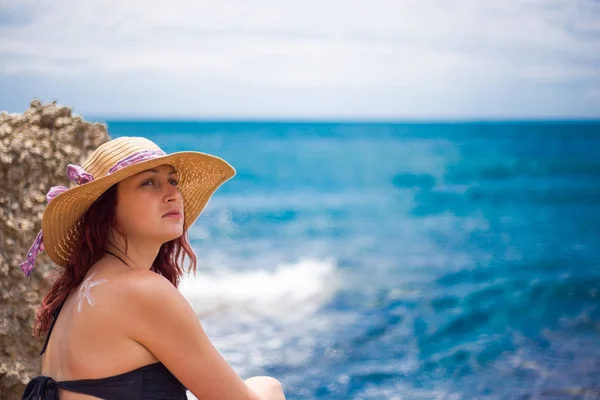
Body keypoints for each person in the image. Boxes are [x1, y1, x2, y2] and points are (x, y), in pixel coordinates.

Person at [20, 137, 287, 400]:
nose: (172, 194)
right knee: (267, 386)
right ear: (108, 208)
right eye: (148, 183)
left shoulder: (79, 292)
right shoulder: (140, 290)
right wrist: (270, 388)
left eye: (173, 181)